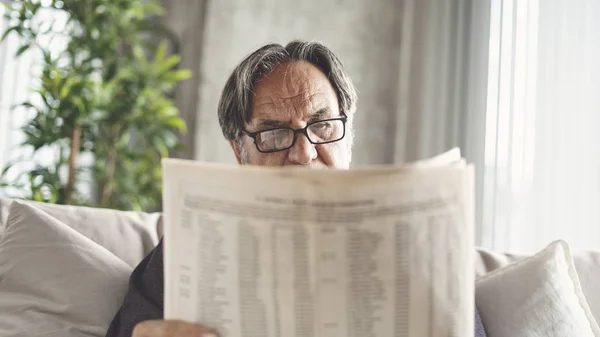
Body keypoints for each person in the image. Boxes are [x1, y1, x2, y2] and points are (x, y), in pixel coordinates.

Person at [105, 40, 487, 337]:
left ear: (347, 136)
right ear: (240, 153)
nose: (303, 153)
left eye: (322, 125)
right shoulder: (192, 243)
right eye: (275, 133)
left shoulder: (421, 241)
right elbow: (131, 329)